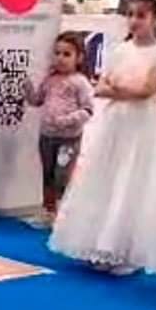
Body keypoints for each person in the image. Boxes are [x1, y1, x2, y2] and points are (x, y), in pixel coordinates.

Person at [49, 0, 156, 276]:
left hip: (142, 125)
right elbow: (101, 86)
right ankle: (98, 243)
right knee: (106, 177)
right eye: (131, 15)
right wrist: (119, 89)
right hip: (116, 122)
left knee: (131, 182)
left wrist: (119, 89)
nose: (134, 21)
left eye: (141, 15)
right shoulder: (120, 49)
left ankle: (123, 249)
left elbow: (145, 90)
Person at [23, 31, 93, 228]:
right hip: (47, 136)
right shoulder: (50, 79)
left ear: (79, 58)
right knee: (48, 174)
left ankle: (63, 213)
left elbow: (88, 110)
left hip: (68, 139)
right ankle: (48, 211)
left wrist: (67, 120)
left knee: (62, 176)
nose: (60, 58)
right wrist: (27, 89)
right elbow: (37, 100)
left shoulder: (80, 82)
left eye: (67, 54)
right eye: (57, 53)